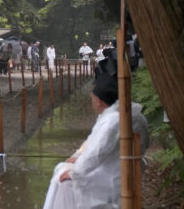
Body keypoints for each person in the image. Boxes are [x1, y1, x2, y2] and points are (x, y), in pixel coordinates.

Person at [43, 72, 149, 209]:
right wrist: (77, 156)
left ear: (99, 101)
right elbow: (93, 142)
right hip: (124, 169)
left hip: (114, 178)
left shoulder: (112, 121)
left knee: (64, 180)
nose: (90, 97)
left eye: (92, 95)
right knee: (63, 168)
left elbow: (95, 153)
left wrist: (74, 173)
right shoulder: (132, 114)